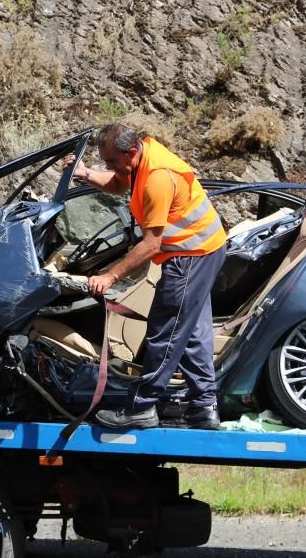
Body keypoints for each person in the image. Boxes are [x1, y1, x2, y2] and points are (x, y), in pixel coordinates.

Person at [64, 123, 227, 429]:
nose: (110, 166)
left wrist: (110, 277)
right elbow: (118, 182)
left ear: (132, 151)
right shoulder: (141, 158)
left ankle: (142, 406)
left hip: (192, 255)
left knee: (165, 331)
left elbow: (151, 244)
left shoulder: (158, 178)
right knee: (191, 333)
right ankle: (204, 408)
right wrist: (85, 174)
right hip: (203, 250)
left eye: (112, 160)